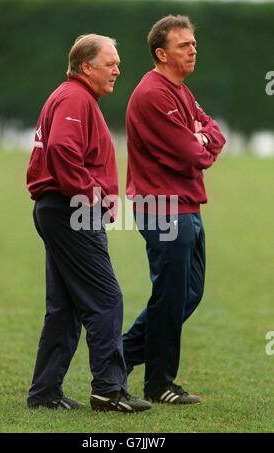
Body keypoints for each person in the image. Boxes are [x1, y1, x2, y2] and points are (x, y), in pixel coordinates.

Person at [26, 34, 151, 413]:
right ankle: (108, 390)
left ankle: (45, 392)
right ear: (85, 67)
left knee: (64, 307)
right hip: (70, 209)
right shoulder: (76, 98)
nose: (118, 69)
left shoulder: (74, 97)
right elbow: (63, 149)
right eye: (110, 63)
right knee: (106, 300)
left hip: (60, 208)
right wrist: (92, 194)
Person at [123, 16, 226, 404]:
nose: (193, 49)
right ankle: (159, 383)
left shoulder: (179, 90)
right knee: (171, 296)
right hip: (164, 206)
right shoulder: (154, 93)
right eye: (184, 45)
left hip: (185, 204)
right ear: (161, 53)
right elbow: (193, 153)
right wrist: (199, 137)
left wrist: (202, 134)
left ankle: (118, 357)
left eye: (193, 44)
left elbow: (213, 131)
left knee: (189, 293)